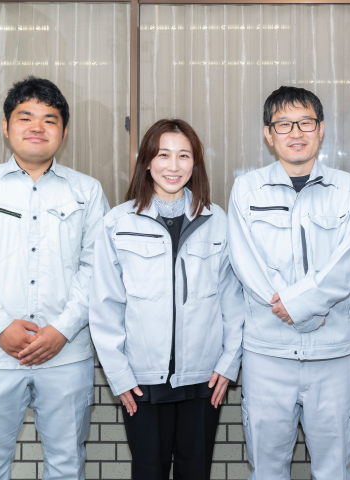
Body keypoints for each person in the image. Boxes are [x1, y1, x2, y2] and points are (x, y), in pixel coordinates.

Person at [227, 86, 350, 479]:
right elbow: (247, 264)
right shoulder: (246, 190)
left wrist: (299, 307)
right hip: (267, 353)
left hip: (331, 355)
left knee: (335, 468)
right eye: (284, 124)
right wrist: (297, 308)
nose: (296, 132)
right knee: (267, 468)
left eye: (306, 122)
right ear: (268, 134)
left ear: (321, 129)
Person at [89, 119, 244, 480]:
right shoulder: (118, 223)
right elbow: (105, 306)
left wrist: (228, 363)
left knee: (196, 472)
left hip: (203, 377)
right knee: (149, 472)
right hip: (141, 379)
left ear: (195, 163)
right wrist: (119, 375)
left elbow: (233, 301)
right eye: (163, 155)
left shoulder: (217, 221)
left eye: (183, 156)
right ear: (146, 161)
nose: (173, 166)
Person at [0, 77, 109, 479]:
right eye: (26, 117)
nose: (37, 127)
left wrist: (62, 329)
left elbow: (98, 269)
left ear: (64, 132)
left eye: (49, 119)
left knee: (66, 466)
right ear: (6, 127)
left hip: (65, 356)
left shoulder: (87, 192)